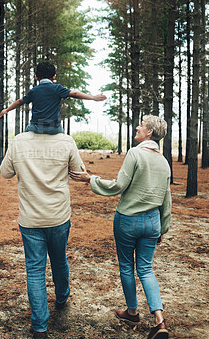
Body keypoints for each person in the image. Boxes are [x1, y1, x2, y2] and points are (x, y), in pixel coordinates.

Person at [70, 115, 172, 339]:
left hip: (128, 220)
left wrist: (91, 179)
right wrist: (163, 227)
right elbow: (166, 198)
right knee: (145, 269)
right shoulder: (163, 161)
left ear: (150, 133)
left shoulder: (135, 153)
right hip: (153, 221)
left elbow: (119, 185)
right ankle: (159, 320)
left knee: (127, 266)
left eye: (142, 126)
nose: (137, 127)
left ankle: (133, 312)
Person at [0, 130, 85, 339]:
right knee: (58, 259)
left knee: (35, 269)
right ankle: (62, 297)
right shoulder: (66, 141)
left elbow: (5, 172)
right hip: (58, 216)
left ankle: (39, 328)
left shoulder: (19, 141)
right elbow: (79, 172)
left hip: (30, 219)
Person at [0, 61, 106, 134]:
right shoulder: (57, 88)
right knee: (66, 143)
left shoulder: (34, 91)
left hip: (36, 127)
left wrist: (7, 109)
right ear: (54, 76)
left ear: (36, 77)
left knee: (22, 139)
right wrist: (93, 97)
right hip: (54, 127)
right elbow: (75, 94)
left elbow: (20, 101)